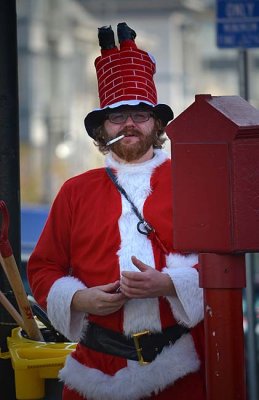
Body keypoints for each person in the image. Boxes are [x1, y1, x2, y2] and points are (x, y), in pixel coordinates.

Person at [27, 22, 205, 400]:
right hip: (94, 371)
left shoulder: (193, 180)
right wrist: (79, 299)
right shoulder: (75, 191)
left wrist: (171, 282)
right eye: (117, 116)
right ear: (102, 129)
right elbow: (43, 268)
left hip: (178, 371)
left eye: (139, 115)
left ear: (157, 124)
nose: (128, 124)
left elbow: (222, 261)